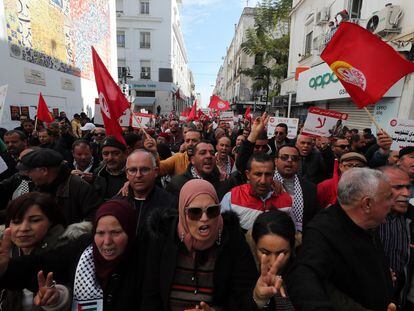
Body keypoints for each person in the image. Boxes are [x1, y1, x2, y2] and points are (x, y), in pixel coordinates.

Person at [141, 179, 261, 310]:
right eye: (195, 212)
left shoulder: (232, 239)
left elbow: (242, 296)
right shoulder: (163, 237)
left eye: (212, 210)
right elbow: (150, 296)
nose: (204, 218)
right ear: (183, 212)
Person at [0, 200, 142, 310]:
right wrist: (6, 267)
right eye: (100, 233)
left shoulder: (145, 260)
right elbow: (41, 265)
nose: (107, 242)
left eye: (116, 233)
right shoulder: (82, 248)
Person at [286, 168, 395, 310]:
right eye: (388, 197)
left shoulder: (368, 225)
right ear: (367, 204)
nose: (392, 203)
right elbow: (303, 280)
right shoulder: (322, 233)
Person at [0, 192, 87, 311]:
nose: (24, 228)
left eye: (35, 220)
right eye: (16, 221)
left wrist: (58, 299)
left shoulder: (71, 251)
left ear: (51, 221)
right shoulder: (5, 251)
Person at [17, 148, 101, 225]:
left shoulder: (79, 187)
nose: (28, 175)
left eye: (29, 171)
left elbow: (93, 217)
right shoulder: (38, 187)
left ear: (44, 170)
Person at [221, 153, 292, 231]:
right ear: (248, 175)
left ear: (273, 175)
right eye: (258, 174)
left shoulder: (286, 200)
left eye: (268, 174)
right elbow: (221, 232)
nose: (263, 181)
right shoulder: (232, 197)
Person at [246, 210, 296, 310]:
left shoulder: (305, 273)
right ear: (254, 246)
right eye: (265, 252)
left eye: (282, 253)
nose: (273, 262)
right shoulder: (242, 272)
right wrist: (258, 299)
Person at [377, 166, 412, 307]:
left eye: (408, 187)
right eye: (398, 187)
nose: (406, 193)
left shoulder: (411, 218)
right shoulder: (361, 220)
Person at [274, 145, 320, 233]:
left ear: (299, 163)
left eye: (294, 158)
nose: (290, 160)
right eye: (284, 157)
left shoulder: (310, 188)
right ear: (276, 161)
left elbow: (314, 218)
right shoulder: (266, 183)